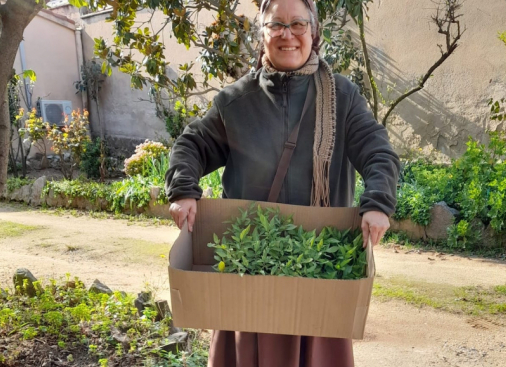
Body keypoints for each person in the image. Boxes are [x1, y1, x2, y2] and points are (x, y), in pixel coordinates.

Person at [164, 0, 400, 365]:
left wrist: (378, 203)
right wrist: (183, 190)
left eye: (298, 24)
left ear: (314, 31)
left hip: (318, 267)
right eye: (276, 25)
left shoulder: (342, 97)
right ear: (262, 34)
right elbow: (192, 144)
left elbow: (377, 152)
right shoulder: (236, 101)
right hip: (249, 270)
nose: (287, 35)